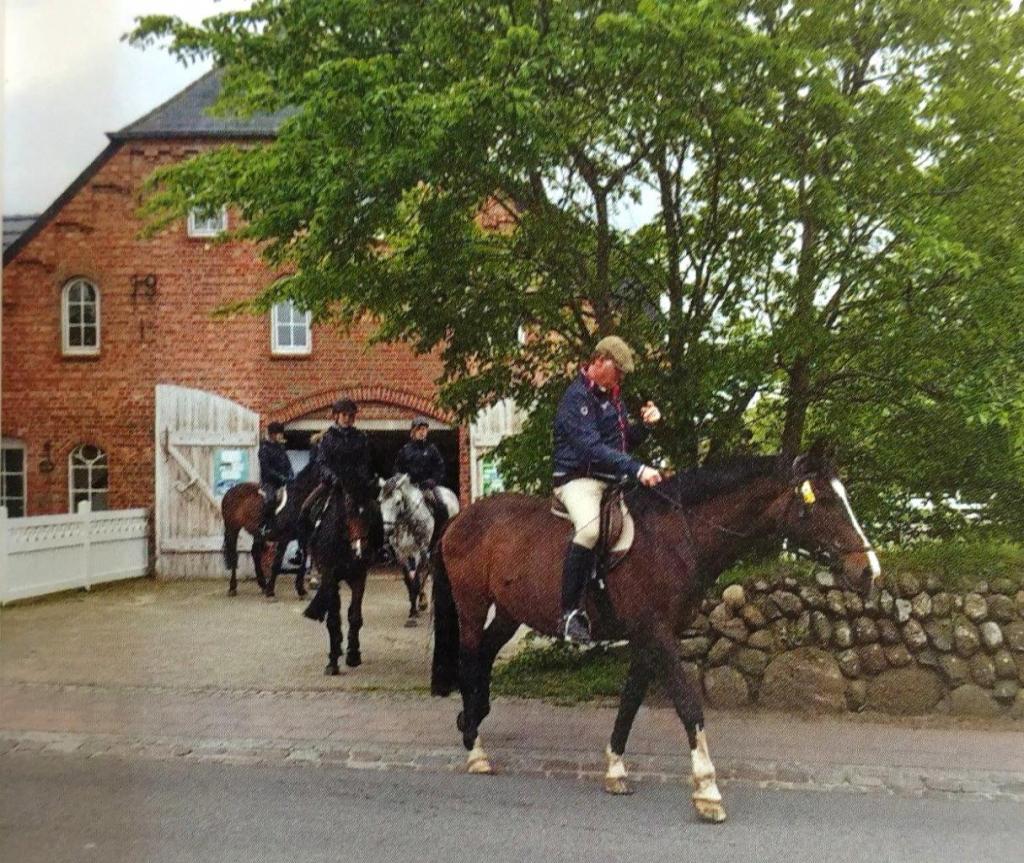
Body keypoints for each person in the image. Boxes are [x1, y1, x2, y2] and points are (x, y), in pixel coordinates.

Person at [552, 336, 663, 644]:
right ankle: (569, 613)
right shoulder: (576, 398)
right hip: (578, 480)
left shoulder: (613, 398)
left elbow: (622, 443)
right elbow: (591, 448)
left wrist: (646, 427)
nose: (622, 378)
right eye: (619, 370)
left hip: (611, 481)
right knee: (588, 530)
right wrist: (637, 469)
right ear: (599, 361)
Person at [314, 398, 376, 503]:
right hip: (331, 483)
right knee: (306, 507)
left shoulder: (360, 437)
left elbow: (364, 461)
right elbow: (322, 462)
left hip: (355, 485)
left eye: (351, 416)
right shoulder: (327, 437)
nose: (347, 419)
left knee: (375, 509)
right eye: (344, 415)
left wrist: (360, 477)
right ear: (336, 416)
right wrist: (332, 477)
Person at [258, 421, 294, 536]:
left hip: (283, 483)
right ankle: (264, 527)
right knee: (270, 499)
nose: (282, 436)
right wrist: (281, 477)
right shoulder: (264, 449)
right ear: (273, 434)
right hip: (269, 483)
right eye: (280, 434)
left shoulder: (281, 448)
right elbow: (266, 469)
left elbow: (288, 464)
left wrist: (291, 475)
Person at [393, 417, 447, 493]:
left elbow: (440, 467)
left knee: (440, 501)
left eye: (424, 429)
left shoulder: (432, 449)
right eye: (419, 429)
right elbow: (397, 468)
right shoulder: (405, 450)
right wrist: (399, 477)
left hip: (428, 488)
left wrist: (433, 480)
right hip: (409, 488)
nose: (422, 432)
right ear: (413, 431)